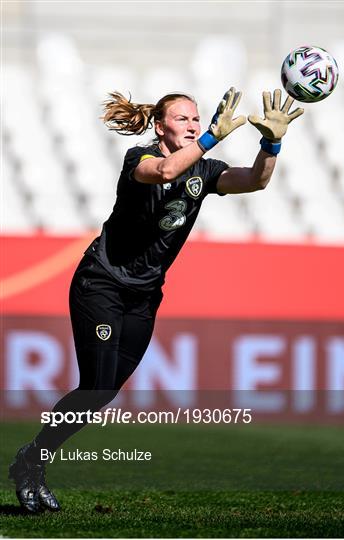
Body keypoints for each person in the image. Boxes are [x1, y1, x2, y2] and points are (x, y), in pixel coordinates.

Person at [8, 87, 303, 512]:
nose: (194, 126)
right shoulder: (139, 158)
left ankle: (32, 457)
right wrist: (210, 139)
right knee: (95, 387)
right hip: (102, 284)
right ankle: (33, 462)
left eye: (197, 120)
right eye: (183, 119)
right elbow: (164, 172)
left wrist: (271, 143)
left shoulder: (206, 168)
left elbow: (255, 181)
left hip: (144, 296)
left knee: (104, 391)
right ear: (160, 126)